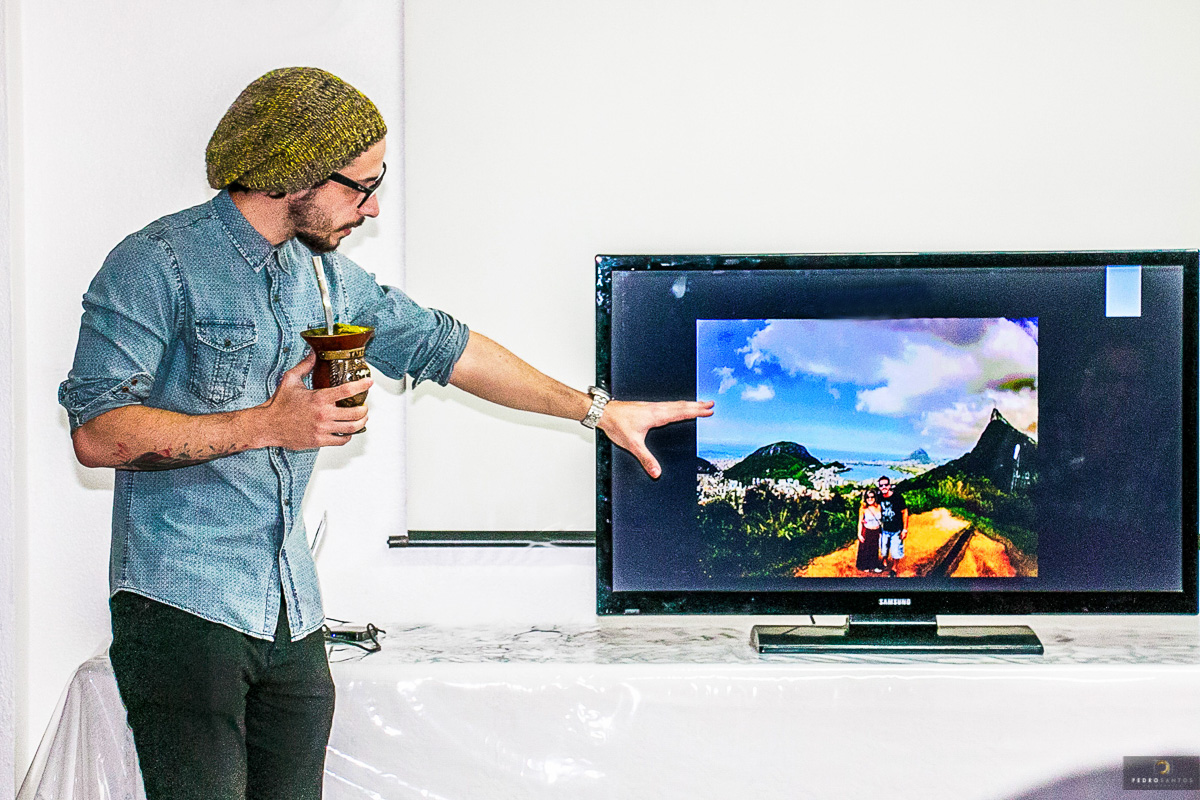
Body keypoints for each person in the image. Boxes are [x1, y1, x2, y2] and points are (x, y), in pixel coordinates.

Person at [58, 67, 713, 800]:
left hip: (290, 615)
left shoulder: (328, 280)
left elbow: (449, 348)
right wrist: (267, 425)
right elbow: (98, 433)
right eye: (361, 187)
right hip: (182, 605)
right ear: (292, 173)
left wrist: (596, 410)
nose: (370, 208)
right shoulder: (157, 263)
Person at [876, 476, 908, 576]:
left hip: (896, 530)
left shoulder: (897, 497)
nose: (884, 487)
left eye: (886, 485)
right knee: (883, 549)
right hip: (884, 529)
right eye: (881, 485)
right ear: (879, 487)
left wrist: (904, 530)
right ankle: (884, 560)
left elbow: (905, 512)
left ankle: (894, 568)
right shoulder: (878, 497)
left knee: (895, 550)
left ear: (889, 485)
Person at [855, 487, 885, 573]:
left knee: (874, 549)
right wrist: (859, 534)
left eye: (872, 497)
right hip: (867, 531)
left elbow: (882, 519)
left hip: (876, 531)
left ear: (875, 498)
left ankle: (874, 565)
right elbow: (860, 522)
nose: (870, 499)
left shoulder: (879, 507)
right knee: (865, 549)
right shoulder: (863, 509)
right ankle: (865, 566)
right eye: (868, 497)